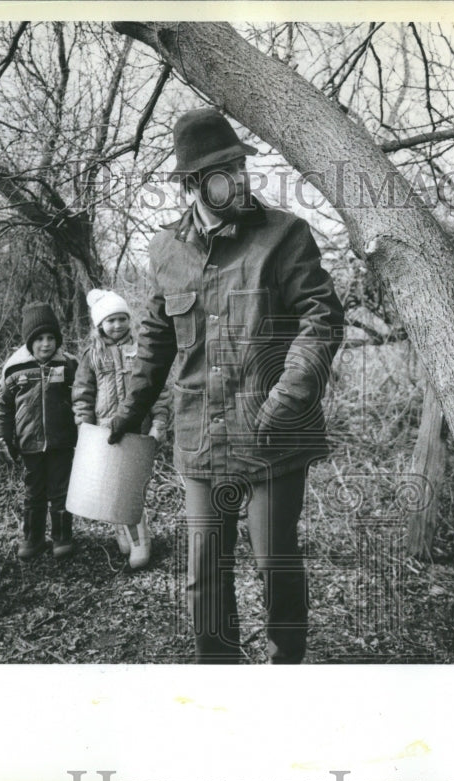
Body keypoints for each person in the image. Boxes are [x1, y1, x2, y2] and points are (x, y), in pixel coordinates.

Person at [107, 107, 345, 663]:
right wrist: (130, 410)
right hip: (200, 436)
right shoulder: (165, 251)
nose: (238, 180)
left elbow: (322, 316)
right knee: (204, 572)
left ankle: (285, 665)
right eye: (222, 172)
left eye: (240, 168)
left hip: (273, 436)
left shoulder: (285, 235)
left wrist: (291, 391)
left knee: (274, 562)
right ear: (193, 186)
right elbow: (156, 339)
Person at [72, 288, 170, 569]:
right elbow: (83, 394)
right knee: (110, 488)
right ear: (99, 324)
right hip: (104, 433)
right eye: (110, 321)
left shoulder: (141, 350)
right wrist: (84, 427)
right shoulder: (92, 355)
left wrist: (159, 422)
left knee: (131, 489)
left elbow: (157, 389)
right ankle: (121, 529)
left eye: (121, 319)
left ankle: (141, 541)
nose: (117, 325)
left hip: (136, 431)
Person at [0, 302, 78, 561]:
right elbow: (4, 407)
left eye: (51, 338)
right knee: (33, 492)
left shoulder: (68, 365)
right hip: (29, 443)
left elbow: (81, 398)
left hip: (61, 442)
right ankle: (33, 538)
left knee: (61, 490)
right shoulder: (15, 369)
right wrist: (3, 436)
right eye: (39, 339)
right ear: (29, 342)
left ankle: (62, 537)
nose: (46, 344)